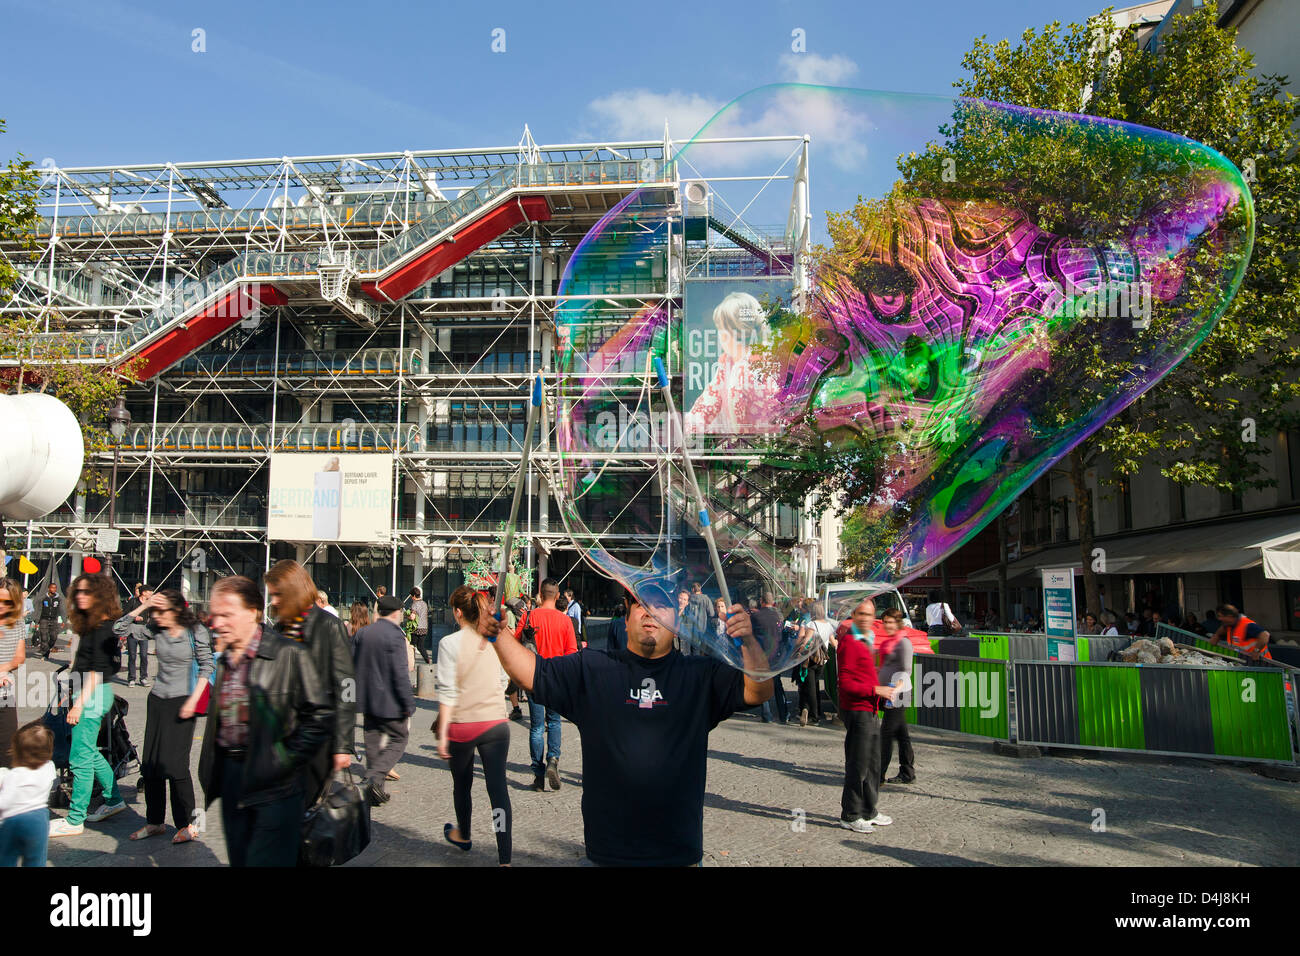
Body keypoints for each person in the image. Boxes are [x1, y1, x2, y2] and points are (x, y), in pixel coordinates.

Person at [490, 586, 770, 865]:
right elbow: (532, 674)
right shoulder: (593, 669)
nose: (650, 613)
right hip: (607, 855)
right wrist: (497, 632)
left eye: (661, 605)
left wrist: (749, 643)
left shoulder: (700, 674)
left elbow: (758, 691)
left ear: (676, 620)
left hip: (678, 854)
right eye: (640, 605)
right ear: (626, 618)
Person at [198, 575, 333, 867]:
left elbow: (321, 715)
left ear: (253, 612)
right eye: (214, 614)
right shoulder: (225, 661)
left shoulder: (289, 654)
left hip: (276, 788)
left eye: (226, 615)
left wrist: (282, 759)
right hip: (232, 781)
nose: (216, 622)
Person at [120, 588, 213, 844]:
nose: (156, 615)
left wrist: (193, 700)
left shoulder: (196, 632)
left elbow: (207, 666)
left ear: (175, 611)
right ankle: (155, 822)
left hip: (184, 700)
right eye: (154, 610)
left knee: (176, 765)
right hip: (158, 700)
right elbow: (119, 629)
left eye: (160, 611)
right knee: (151, 765)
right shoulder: (156, 629)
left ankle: (188, 824)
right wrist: (142, 606)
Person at [264, 560, 357, 801]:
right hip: (282, 736)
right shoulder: (279, 628)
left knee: (303, 808)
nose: (273, 601)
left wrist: (343, 744)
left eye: (277, 595)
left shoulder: (329, 626)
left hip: (316, 736)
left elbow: (346, 686)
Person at [437, 586, 512, 866]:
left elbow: (446, 692)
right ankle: (505, 858)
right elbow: (505, 678)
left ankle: (465, 834)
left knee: (462, 785)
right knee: (498, 790)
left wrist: (443, 734)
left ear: (458, 612)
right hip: (495, 722)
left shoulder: (449, 644)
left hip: (463, 724)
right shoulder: (493, 639)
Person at [49, 574, 126, 838]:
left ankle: (75, 819)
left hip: (91, 695)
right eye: (77, 592)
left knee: (79, 759)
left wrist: (78, 705)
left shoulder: (101, 629)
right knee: (90, 752)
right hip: (96, 693)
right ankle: (114, 800)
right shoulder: (101, 626)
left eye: (86, 592)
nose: (80, 596)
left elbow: (95, 671)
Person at [838, 599, 897, 833]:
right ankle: (850, 814)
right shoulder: (849, 642)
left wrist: (882, 695)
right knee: (858, 763)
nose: (865, 618)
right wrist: (875, 690)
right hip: (857, 709)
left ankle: (869, 810)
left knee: (873, 764)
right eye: (861, 613)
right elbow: (846, 683)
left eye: (869, 614)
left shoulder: (864, 641)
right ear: (853, 614)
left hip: (871, 708)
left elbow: (865, 677)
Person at [352, 594, 416, 807]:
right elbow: (400, 672)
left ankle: (374, 789)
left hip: (368, 699)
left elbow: (352, 664)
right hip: (391, 701)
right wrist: (408, 702)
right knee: (399, 739)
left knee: (372, 741)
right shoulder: (396, 635)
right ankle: (374, 776)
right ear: (397, 613)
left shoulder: (363, 632)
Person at [515, 578, 576, 791]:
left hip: (534, 677)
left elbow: (515, 643)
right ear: (557, 596)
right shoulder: (565, 620)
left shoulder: (529, 616)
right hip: (557, 678)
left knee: (537, 727)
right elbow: (571, 654)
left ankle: (538, 774)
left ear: (540, 594)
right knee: (555, 722)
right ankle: (553, 760)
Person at [0, 721, 56, 867]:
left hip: (14, 820)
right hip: (39, 819)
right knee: (36, 859)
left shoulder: (14, 775)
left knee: (7, 856)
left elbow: (4, 802)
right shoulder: (50, 768)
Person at [876, 609, 915, 786]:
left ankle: (878, 775)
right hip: (890, 692)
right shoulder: (890, 641)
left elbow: (907, 671)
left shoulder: (904, 643)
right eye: (885, 622)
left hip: (899, 694)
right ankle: (907, 771)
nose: (887, 625)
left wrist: (894, 689)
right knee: (901, 733)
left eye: (890, 622)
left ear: (898, 623)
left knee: (886, 733)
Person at [0, 580, 27, 768]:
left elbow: (20, 656)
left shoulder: (17, 624)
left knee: (8, 748)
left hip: (4, 693)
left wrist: (4, 668)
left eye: (7, 602)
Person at [751, 592, 790, 724]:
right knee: (777, 684)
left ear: (762, 601)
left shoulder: (756, 616)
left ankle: (767, 715)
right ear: (772, 602)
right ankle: (784, 714)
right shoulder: (778, 615)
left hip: (762, 653)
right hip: (776, 653)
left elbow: (751, 634)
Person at [795, 604, 833, 727]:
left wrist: (799, 649)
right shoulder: (828, 625)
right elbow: (834, 642)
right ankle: (806, 710)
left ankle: (814, 716)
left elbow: (806, 640)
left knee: (810, 688)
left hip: (811, 660)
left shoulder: (812, 624)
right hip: (822, 661)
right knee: (812, 686)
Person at [115, 584, 154, 687]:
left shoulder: (150, 604)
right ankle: (131, 678)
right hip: (132, 631)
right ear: (144, 592)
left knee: (144, 655)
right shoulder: (133, 601)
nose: (151, 593)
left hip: (144, 632)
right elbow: (124, 614)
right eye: (150, 591)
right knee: (132, 655)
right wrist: (134, 617)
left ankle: (143, 677)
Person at [37, 581, 64, 660]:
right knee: (44, 637)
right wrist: (36, 620)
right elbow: (39, 609)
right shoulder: (43, 598)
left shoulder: (59, 599)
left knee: (54, 637)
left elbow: (62, 609)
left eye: (55, 588)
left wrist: (63, 620)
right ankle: (45, 654)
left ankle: (46, 650)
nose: (54, 589)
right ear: (49, 588)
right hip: (44, 619)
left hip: (54, 620)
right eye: (52, 587)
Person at [408, 587, 430, 665]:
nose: (411, 598)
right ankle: (428, 660)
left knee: (411, 646)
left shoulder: (414, 604)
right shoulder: (424, 603)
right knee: (420, 647)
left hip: (416, 629)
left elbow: (412, 617)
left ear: (414, 596)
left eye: (411, 596)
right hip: (424, 628)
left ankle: (411, 662)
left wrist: (408, 616)